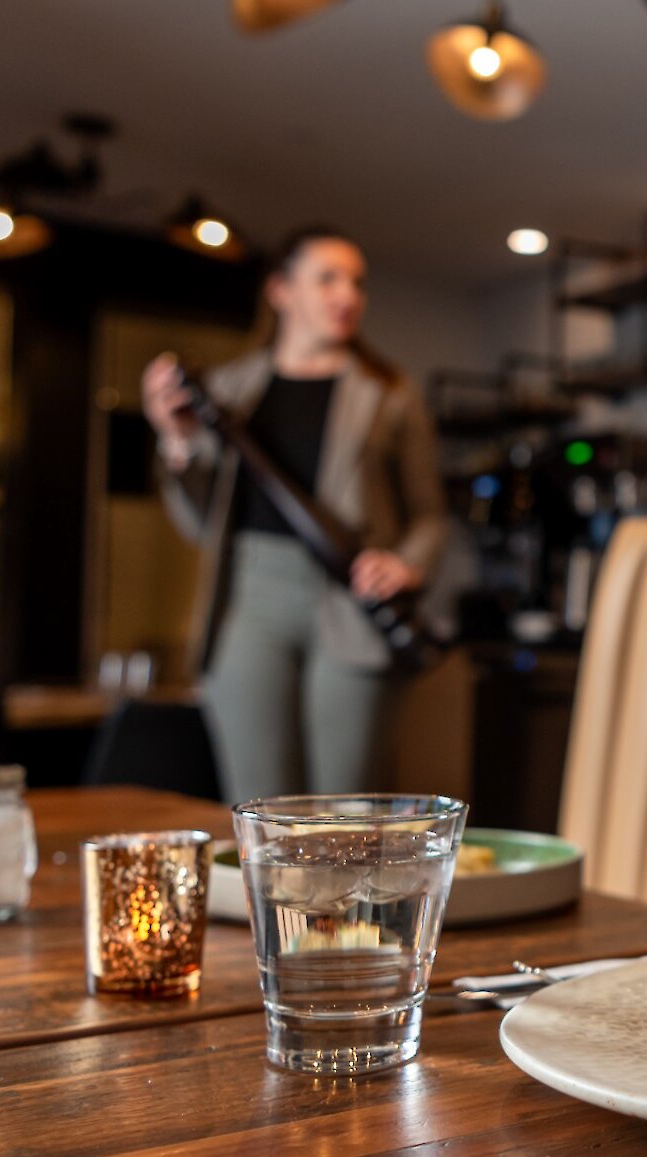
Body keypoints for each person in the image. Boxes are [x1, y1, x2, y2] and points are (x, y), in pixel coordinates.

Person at [142, 225, 447, 803]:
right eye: (327, 277)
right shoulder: (229, 393)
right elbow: (200, 525)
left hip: (351, 603)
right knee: (261, 808)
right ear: (281, 290)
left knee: (349, 808)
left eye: (357, 282)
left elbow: (430, 514)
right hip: (250, 602)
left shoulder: (390, 393)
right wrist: (177, 441)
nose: (348, 295)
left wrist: (406, 565)